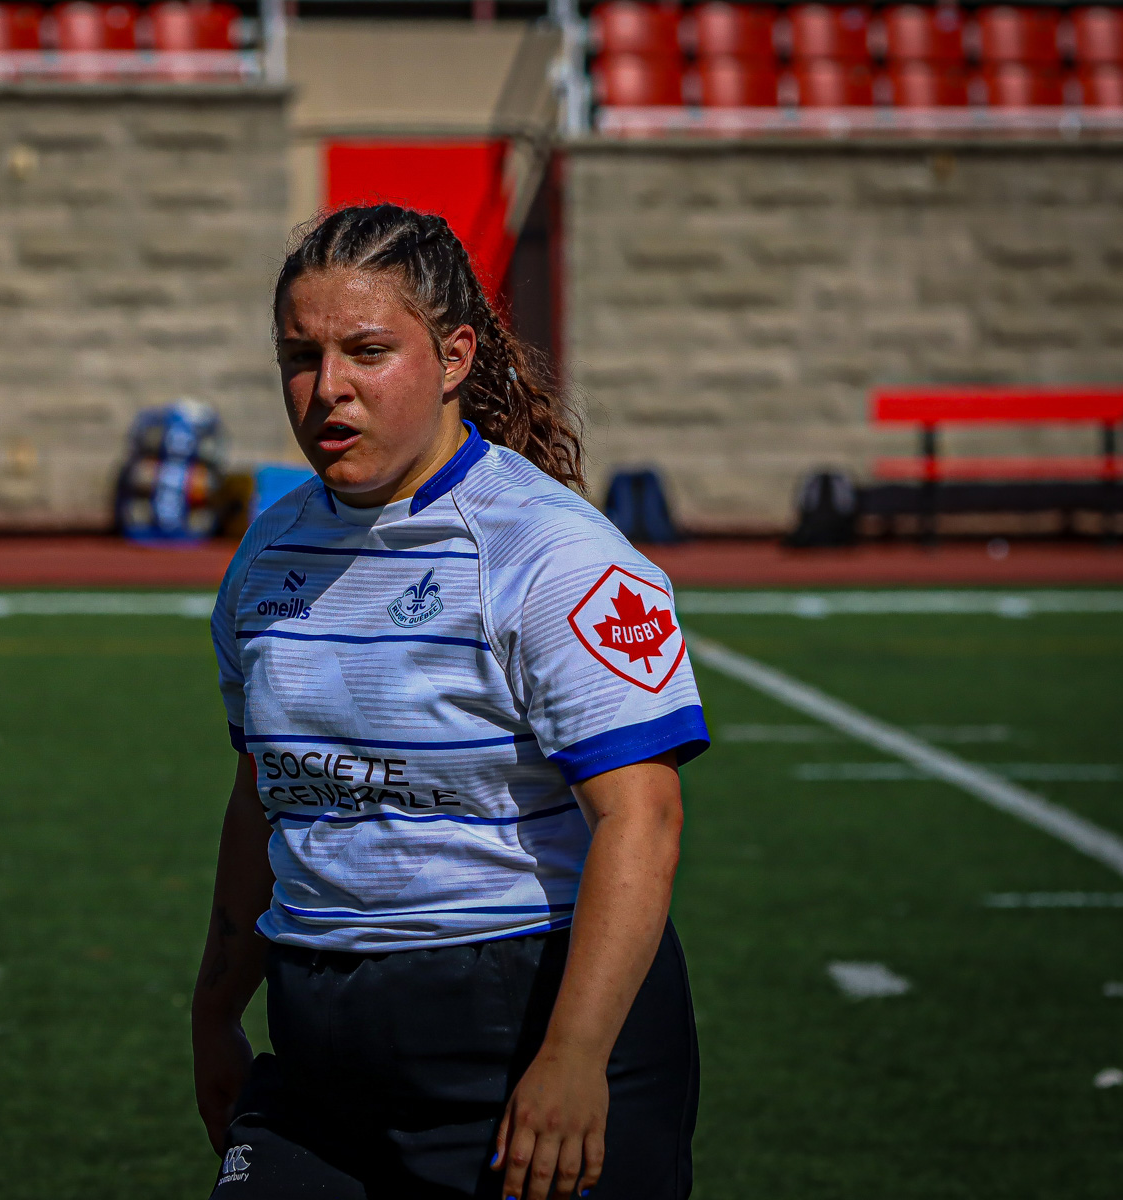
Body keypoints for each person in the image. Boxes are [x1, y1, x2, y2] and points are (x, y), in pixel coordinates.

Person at [191, 204, 710, 1200]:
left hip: (525, 1036)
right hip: (316, 1050)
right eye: (300, 356)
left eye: (368, 351)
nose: (327, 388)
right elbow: (264, 793)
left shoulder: (553, 555)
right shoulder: (267, 553)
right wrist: (217, 1012)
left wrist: (574, 1056)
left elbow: (642, 819)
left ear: (456, 355)